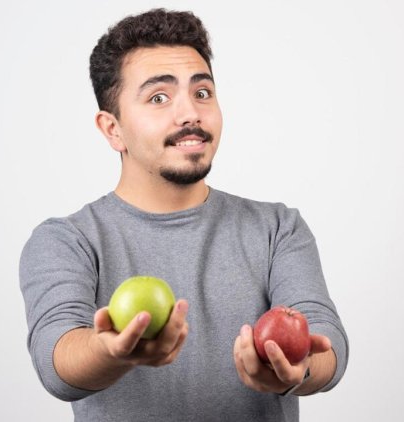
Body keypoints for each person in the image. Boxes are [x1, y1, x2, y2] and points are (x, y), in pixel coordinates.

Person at [19, 8, 348, 421]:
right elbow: (56, 361)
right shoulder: (66, 241)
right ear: (112, 129)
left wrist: (297, 369)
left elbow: (326, 340)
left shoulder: (278, 228)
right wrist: (113, 351)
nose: (191, 113)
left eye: (202, 92)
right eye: (159, 98)